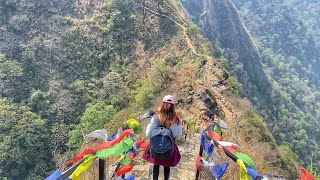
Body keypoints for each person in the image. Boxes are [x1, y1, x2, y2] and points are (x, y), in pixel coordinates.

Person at [140, 95, 183, 180]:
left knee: (156, 166)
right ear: (173, 106)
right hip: (169, 147)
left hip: (156, 145)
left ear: (163, 104)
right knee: (167, 167)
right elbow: (178, 136)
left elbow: (148, 134)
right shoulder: (176, 119)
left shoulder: (156, 116)